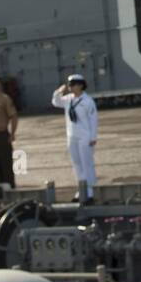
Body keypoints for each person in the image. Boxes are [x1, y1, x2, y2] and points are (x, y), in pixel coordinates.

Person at [51, 74, 98, 202]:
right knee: (76, 164)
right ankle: (81, 190)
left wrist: (93, 137)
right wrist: (59, 91)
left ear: (81, 85)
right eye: (70, 85)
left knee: (86, 164)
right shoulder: (68, 99)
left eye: (73, 85)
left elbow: (93, 120)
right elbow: (55, 102)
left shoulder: (88, 101)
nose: (70, 87)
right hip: (72, 136)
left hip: (85, 137)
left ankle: (90, 191)